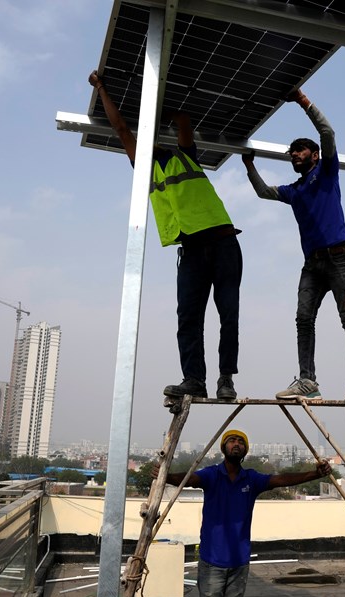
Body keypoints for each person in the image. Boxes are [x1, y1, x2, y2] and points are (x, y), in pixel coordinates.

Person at [89, 71, 242, 400]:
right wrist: (101, 88)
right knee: (188, 317)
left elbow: (184, 121)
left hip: (223, 242)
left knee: (228, 312)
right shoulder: (143, 165)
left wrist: (162, 109)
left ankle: (226, 378)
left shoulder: (184, 154)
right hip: (190, 249)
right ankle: (194, 379)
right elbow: (119, 128)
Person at [241, 89, 345, 402]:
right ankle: (307, 380)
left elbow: (327, 132)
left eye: (300, 150)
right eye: (292, 152)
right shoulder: (294, 190)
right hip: (312, 264)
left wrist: (302, 100)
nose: (294, 154)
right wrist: (249, 166)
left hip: (338, 258)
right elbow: (263, 192)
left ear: (315, 154)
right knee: (303, 319)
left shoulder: (326, 173)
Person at [154, 430, 332, 597]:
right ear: (224, 448)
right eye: (231, 441)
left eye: (241, 442)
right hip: (212, 561)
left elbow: (281, 479)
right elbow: (190, 479)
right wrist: (166, 476)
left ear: (245, 450)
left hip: (239, 561)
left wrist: (315, 474)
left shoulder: (251, 479)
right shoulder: (212, 475)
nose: (236, 444)